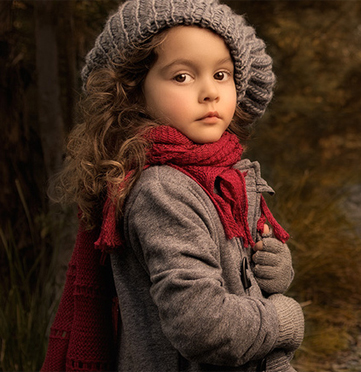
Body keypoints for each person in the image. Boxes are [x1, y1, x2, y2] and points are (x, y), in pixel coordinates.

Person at [41, 1, 304, 371]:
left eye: (221, 74)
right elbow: (204, 327)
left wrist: (271, 267)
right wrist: (279, 321)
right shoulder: (163, 189)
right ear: (133, 92)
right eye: (182, 76)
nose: (209, 92)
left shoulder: (221, 176)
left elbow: (227, 272)